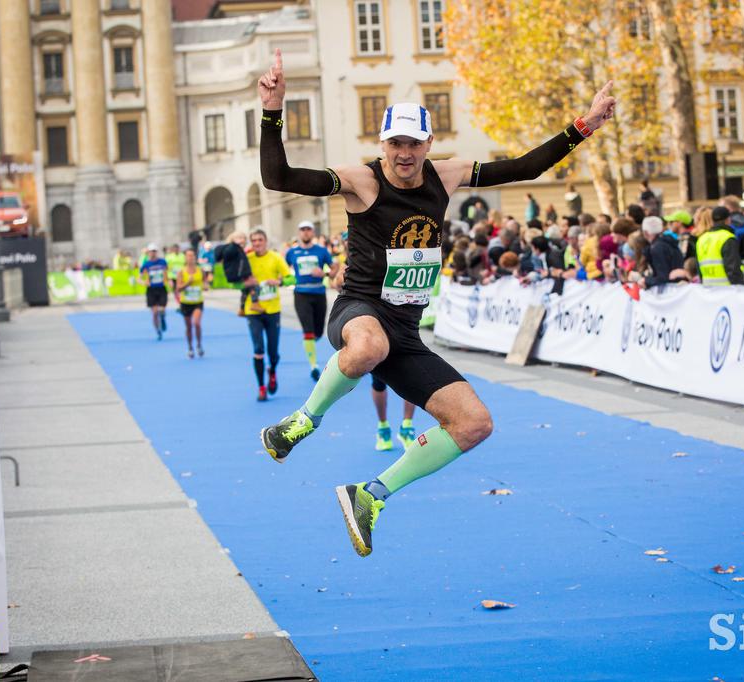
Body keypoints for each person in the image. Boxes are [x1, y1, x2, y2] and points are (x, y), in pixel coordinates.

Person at [254, 48, 616, 557]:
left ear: (428, 144)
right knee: (367, 346)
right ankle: (300, 422)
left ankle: (369, 495)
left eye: (415, 144)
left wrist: (585, 125)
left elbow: (524, 167)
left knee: (474, 423)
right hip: (359, 310)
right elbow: (279, 178)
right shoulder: (362, 180)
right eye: (396, 143)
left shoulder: (445, 176)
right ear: (382, 143)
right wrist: (273, 111)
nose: (405, 154)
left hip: (404, 331)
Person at [286, 220, 339, 381]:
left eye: (308, 229)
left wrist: (325, 274)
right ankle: (314, 366)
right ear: (299, 233)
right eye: (302, 230)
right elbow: (283, 269)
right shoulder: (291, 252)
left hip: (318, 292)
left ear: (313, 232)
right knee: (307, 330)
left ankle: (311, 339)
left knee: (318, 331)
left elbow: (334, 267)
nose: (305, 232)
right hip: (301, 293)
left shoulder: (321, 251)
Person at [245, 229, 291, 402]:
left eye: (260, 240)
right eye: (254, 240)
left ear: (265, 241)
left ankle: (272, 370)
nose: (257, 243)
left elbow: (290, 279)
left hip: (272, 310)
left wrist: (278, 281)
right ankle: (261, 387)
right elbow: (234, 282)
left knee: (273, 352)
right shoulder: (247, 260)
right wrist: (245, 283)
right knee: (258, 349)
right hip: (253, 310)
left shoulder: (275, 257)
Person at [696, 206, 744, 286]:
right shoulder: (727, 237)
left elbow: (699, 269)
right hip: (726, 290)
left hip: (708, 290)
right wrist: (739, 287)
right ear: (728, 220)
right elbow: (732, 268)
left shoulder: (702, 239)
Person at [176, 248, 210, 357]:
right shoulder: (181, 271)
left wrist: (206, 286)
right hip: (185, 303)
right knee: (189, 326)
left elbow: (205, 282)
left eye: (193, 255)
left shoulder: (201, 270)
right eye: (189, 256)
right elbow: (179, 288)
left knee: (197, 323)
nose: (191, 258)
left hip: (198, 302)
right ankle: (190, 347)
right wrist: (188, 283)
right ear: (185, 258)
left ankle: (199, 345)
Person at [640, 216, 687, 289]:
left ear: (645, 233)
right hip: (679, 287)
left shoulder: (657, 247)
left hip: (671, 291)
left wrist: (646, 280)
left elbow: (663, 277)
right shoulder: (669, 242)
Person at [215, 231, 254, 315]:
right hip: (237, 275)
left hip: (241, 274)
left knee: (247, 290)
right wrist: (234, 244)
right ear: (232, 240)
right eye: (239, 238)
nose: (241, 240)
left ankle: (244, 307)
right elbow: (227, 255)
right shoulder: (232, 248)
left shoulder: (241, 250)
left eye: (243, 238)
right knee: (252, 287)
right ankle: (245, 307)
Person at [139, 243, 169, 339]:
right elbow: (139, 278)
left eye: (155, 251)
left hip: (161, 288)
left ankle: (163, 319)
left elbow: (166, 272)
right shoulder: (146, 264)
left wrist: (167, 280)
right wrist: (144, 282)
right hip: (151, 290)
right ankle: (158, 331)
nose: (153, 253)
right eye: (151, 251)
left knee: (162, 310)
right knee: (155, 312)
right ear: (148, 252)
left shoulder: (163, 262)